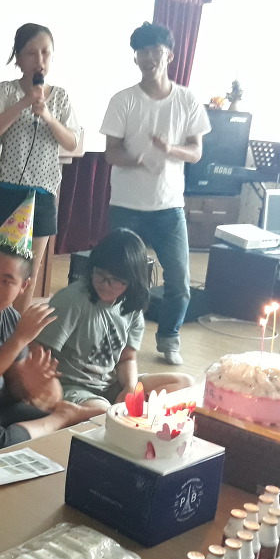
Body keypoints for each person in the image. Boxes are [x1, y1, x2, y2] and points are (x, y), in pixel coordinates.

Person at [0, 193, 97, 461]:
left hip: (1, 407)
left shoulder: (10, 316)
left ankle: (58, 419)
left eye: (7, 281)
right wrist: (19, 339)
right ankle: (61, 420)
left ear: (23, 286)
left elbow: (15, 388)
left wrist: (32, 385)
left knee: (47, 416)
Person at [100, 22, 211, 367]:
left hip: (169, 206)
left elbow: (196, 152)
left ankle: (169, 338)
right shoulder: (123, 100)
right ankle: (113, 338)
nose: (148, 57)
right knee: (119, 276)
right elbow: (111, 153)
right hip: (127, 205)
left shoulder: (187, 100)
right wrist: (135, 159)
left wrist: (170, 150)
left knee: (179, 280)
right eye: (142, 51)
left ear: (169, 55)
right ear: (135, 58)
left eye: (155, 50)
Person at [0, 23, 81, 312]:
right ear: (18, 57)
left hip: (43, 195)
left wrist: (48, 116)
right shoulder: (6, 90)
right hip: (5, 190)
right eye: (31, 53)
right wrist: (24, 102)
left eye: (45, 52)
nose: (39, 60)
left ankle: (15, 326)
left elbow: (73, 142)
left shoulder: (60, 96)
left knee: (29, 272)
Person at [36, 228, 194, 412]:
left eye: (115, 280)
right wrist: (47, 390)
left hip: (110, 384)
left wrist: (130, 388)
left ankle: (126, 413)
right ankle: (117, 413)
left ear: (132, 281)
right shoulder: (72, 300)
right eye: (100, 275)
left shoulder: (131, 306)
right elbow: (38, 351)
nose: (105, 284)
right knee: (102, 409)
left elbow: (127, 358)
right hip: (73, 387)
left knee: (184, 383)